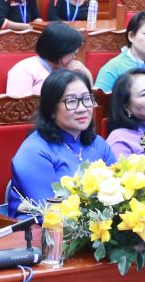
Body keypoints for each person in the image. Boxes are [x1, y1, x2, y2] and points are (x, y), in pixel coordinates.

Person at [7, 68, 116, 211]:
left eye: (86, 99)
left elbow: (118, 189)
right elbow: (49, 211)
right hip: (42, 222)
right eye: (71, 101)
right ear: (51, 110)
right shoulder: (34, 151)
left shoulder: (98, 144)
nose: (82, 108)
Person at [7, 22, 86, 97]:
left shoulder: (69, 69)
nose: (74, 57)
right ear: (59, 50)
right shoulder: (25, 69)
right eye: (73, 53)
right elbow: (18, 105)